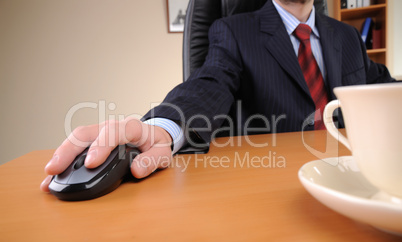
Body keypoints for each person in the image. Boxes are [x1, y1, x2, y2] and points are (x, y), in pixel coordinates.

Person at [40, 0, 395, 192]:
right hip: (273, 188)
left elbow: (381, 84)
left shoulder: (347, 37)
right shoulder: (234, 30)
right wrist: (163, 128)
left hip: (356, 176)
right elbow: (209, 82)